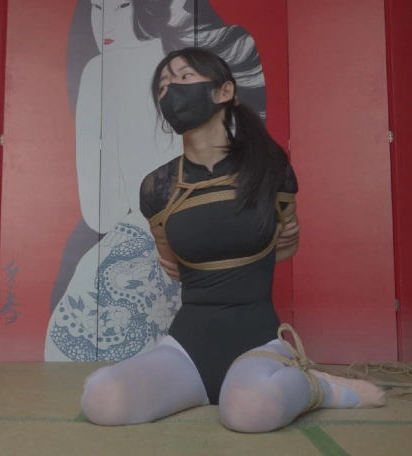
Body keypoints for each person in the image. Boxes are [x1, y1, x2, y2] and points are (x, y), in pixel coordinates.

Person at [79, 47, 386, 433]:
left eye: (184, 77)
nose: (171, 90)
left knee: (249, 412)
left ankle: (318, 387)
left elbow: (285, 245)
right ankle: (208, 389)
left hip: (257, 342)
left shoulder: (270, 168)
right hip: (186, 349)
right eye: (163, 86)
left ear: (224, 92)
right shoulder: (157, 188)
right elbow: (174, 268)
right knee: (101, 399)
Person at [45, 0, 270, 362]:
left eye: (120, 6)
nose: (104, 22)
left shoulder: (100, 73)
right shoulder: (230, 52)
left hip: (146, 245)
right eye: (97, 8)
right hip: (214, 273)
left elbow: (102, 212)